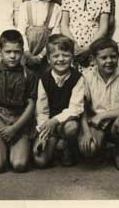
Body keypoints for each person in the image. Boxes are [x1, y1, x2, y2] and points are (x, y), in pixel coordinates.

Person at [0, 29, 37, 174]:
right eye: (8, 51)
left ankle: (18, 148)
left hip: (19, 126)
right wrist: (4, 129)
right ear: (0, 51)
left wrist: (14, 129)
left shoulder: (29, 75)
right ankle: (0, 148)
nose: (12, 56)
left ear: (22, 52)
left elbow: (31, 105)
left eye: (16, 51)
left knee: (19, 165)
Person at [78, 38, 119, 172]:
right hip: (95, 124)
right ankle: (102, 146)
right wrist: (86, 132)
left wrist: (103, 115)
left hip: (116, 123)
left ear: (118, 56)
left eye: (113, 57)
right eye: (103, 57)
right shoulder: (87, 76)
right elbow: (81, 109)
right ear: (94, 59)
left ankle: (118, 152)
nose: (109, 61)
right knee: (90, 150)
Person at [32, 35, 84, 168]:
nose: (60, 59)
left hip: (67, 122)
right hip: (49, 125)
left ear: (72, 57)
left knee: (71, 127)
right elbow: (42, 111)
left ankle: (67, 147)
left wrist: (54, 121)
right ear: (49, 59)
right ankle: (55, 143)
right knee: (40, 161)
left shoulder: (78, 78)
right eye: (55, 56)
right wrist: (43, 133)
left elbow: (75, 109)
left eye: (65, 55)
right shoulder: (43, 79)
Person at [60, 0, 110, 68]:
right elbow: (64, 24)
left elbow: (104, 27)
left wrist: (89, 47)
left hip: (94, 48)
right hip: (72, 48)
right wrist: (74, 45)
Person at [17, 0, 62, 73]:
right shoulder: (25, 6)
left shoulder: (56, 8)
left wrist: (41, 55)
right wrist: (27, 53)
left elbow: (55, 35)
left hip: (47, 56)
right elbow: (20, 31)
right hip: (26, 55)